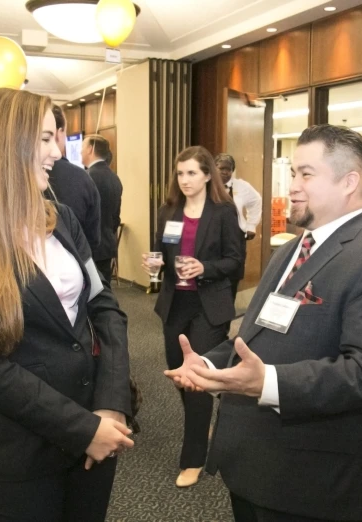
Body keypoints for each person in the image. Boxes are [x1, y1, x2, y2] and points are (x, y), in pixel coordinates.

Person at [166, 124, 362, 521]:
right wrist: (210, 363)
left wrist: (265, 383)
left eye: (307, 174)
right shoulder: (291, 250)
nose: (293, 186)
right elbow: (257, 333)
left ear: (349, 182)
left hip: (316, 485)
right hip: (254, 467)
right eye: (293, 173)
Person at [0, 88, 133, 522]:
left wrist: (111, 402)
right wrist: (82, 429)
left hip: (97, 429)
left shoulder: (61, 218)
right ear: (5, 142)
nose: (57, 151)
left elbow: (104, 306)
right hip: (24, 451)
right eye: (46, 138)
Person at [143, 145, 243, 488]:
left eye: (192, 173)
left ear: (206, 176)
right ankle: (203, 425)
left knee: (196, 377)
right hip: (175, 304)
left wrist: (205, 267)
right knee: (179, 375)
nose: (184, 180)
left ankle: (194, 458)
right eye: (180, 173)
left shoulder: (224, 212)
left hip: (208, 305)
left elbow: (235, 262)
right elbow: (160, 248)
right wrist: (155, 263)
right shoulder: (168, 210)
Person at [46, 106, 101, 250]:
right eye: (45, 139)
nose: (56, 155)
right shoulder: (82, 178)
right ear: (59, 133)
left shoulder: (64, 213)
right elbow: (92, 239)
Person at [215, 153, 262, 302]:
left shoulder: (242, 186)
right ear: (213, 168)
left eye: (228, 169)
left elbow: (256, 201)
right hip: (212, 238)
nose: (225, 172)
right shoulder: (206, 185)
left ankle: (228, 312)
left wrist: (251, 226)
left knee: (232, 277)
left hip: (235, 238)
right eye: (221, 168)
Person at [82, 135, 121, 283]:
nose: (80, 152)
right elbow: (116, 217)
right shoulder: (115, 178)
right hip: (107, 246)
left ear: (90, 149)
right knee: (105, 291)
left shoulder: (86, 178)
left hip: (89, 247)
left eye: (82, 148)